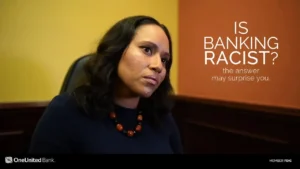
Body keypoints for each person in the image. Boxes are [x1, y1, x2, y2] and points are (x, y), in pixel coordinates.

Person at [28, 15, 183, 154]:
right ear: (116, 50)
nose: (158, 66)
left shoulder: (162, 118)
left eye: (164, 59)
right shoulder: (65, 111)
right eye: (147, 50)